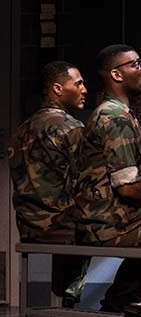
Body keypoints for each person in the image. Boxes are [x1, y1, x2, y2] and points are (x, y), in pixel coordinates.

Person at [73, 44, 141, 316]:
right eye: (136, 65)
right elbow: (127, 188)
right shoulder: (114, 117)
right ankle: (130, 295)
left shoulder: (122, 114)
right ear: (116, 75)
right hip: (107, 221)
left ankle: (132, 295)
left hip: (115, 216)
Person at [8, 61, 91, 307]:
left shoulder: (21, 130)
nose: (84, 89)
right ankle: (71, 296)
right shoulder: (70, 128)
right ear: (57, 89)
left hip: (28, 226)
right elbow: (86, 177)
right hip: (63, 227)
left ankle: (65, 295)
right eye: (78, 84)